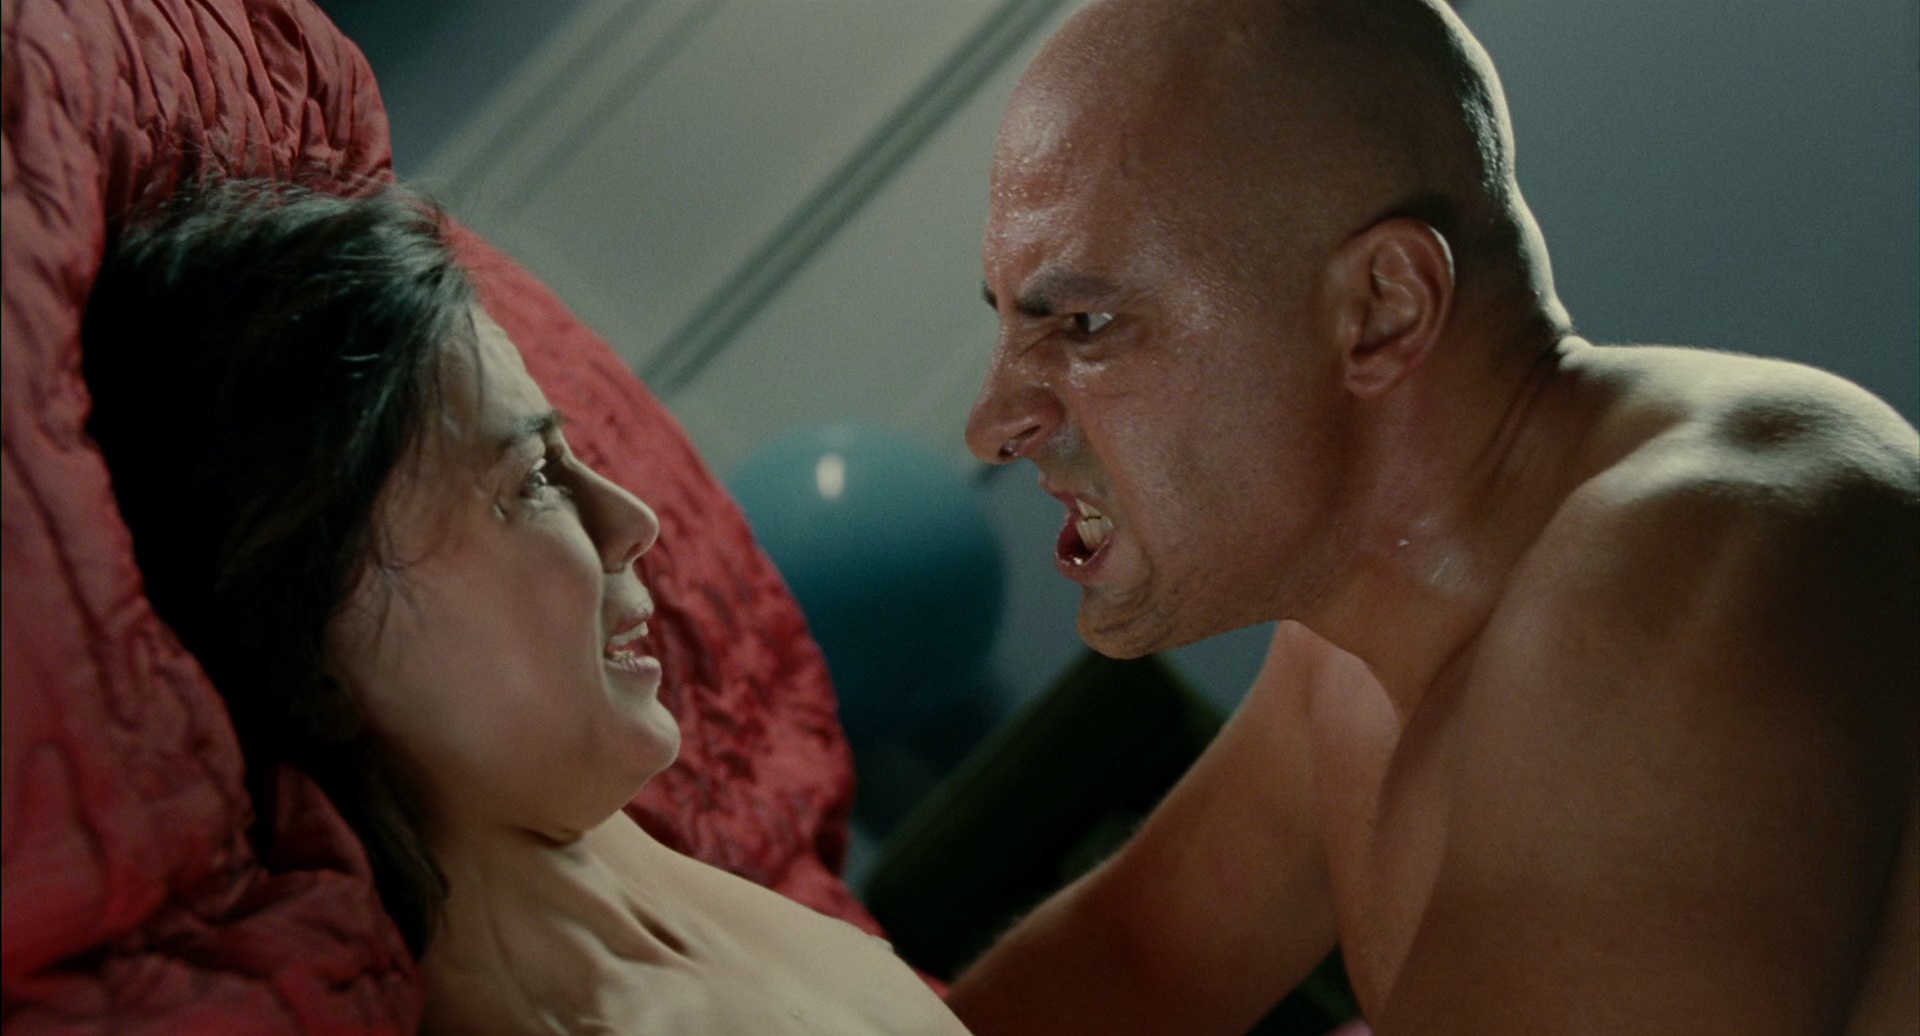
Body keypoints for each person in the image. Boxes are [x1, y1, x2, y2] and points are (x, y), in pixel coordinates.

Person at [951, 0, 1919, 1033]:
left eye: (1086, 323)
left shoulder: (1681, 578)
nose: (992, 426)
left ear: (1383, 308)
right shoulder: (1362, 636)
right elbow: (1142, 956)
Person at [82, 178, 972, 1036]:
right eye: (534, 481)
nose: (635, 522)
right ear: (312, 646)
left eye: (565, 455)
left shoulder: (603, 850)